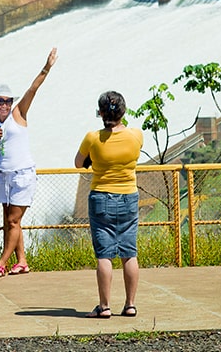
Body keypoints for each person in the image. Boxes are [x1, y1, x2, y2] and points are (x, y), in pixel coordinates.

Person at [0, 47, 57, 278]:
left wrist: (46, 67)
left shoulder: (18, 114)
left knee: (13, 220)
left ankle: (1, 263)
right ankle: (22, 262)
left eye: (7, 101)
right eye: (0, 101)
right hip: (3, 175)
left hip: (21, 175)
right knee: (9, 223)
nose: (4, 105)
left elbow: (32, 90)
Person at [74, 91, 143, 319]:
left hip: (101, 196)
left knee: (104, 255)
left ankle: (104, 307)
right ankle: (130, 305)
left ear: (101, 113)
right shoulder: (136, 136)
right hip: (129, 197)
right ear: (123, 112)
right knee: (129, 252)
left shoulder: (92, 138)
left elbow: (78, 163)